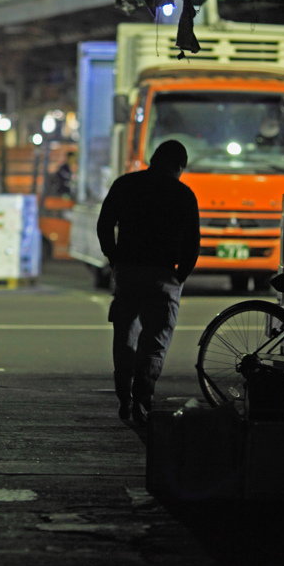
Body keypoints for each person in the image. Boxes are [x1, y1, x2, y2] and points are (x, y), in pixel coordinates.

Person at [97, 140, 201, 427]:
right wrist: (181, 274)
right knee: (154, 343)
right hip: (163, 275)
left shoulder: (125, 184)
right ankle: (143, 400)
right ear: (179, 166)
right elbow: (193, 242)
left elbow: (105, 224)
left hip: (129, 272)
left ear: (153, 160)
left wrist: (114, 258)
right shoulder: (183, 194)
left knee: (125, 337)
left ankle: (124, 398)